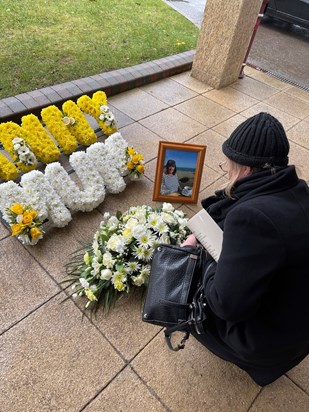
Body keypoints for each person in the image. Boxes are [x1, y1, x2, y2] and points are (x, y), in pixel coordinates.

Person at [182, 112, 309, 386]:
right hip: (299, 325)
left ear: (246, 169)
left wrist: (207, 253)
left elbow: (226, 305)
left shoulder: (250, 217)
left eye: (229, 166)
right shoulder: (300, 191)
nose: (227, 171)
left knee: (188, 284)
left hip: (268, 342)